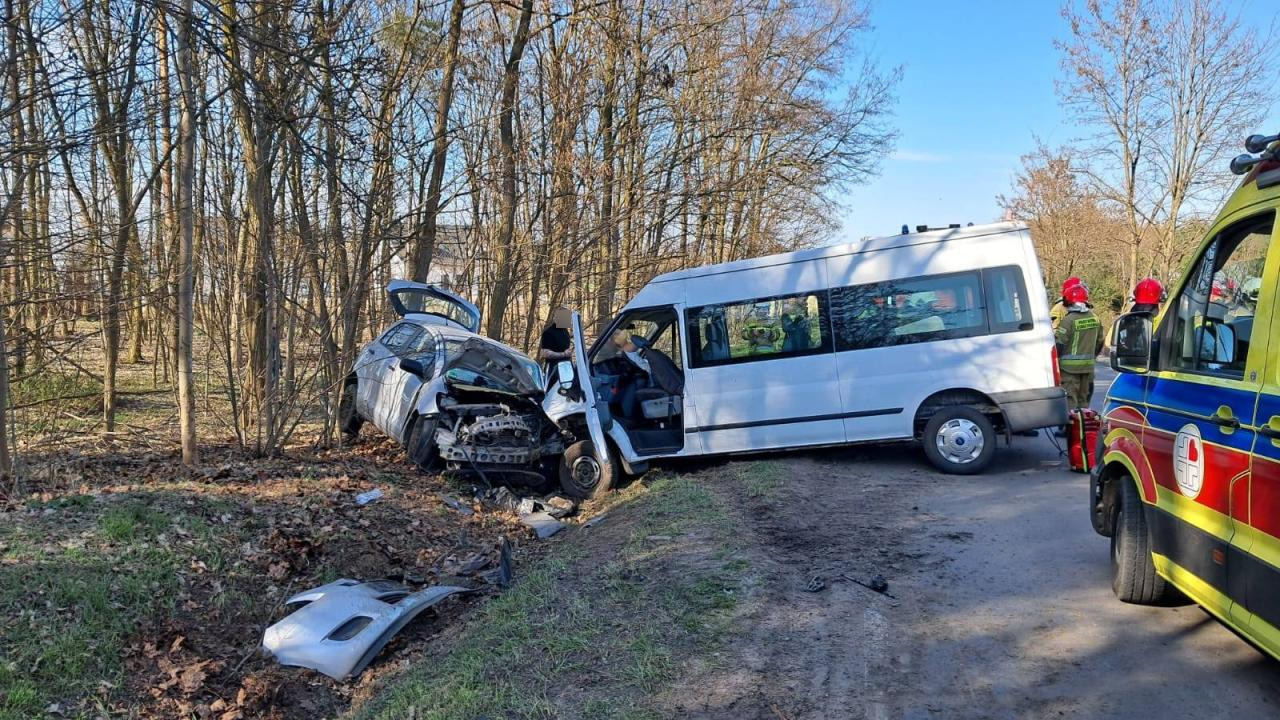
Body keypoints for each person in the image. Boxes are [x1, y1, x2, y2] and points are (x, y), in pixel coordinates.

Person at [1056, 283, 1103, 409]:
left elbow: (1059, 345)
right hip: (1088, 368)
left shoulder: (1068, 320)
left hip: (1069, 371)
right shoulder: (1095, 318)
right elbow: (1100, 342)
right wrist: (1092, 357)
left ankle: (1072, 428)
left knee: (1070, 404)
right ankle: (1084, 427)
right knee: (1084, 403)